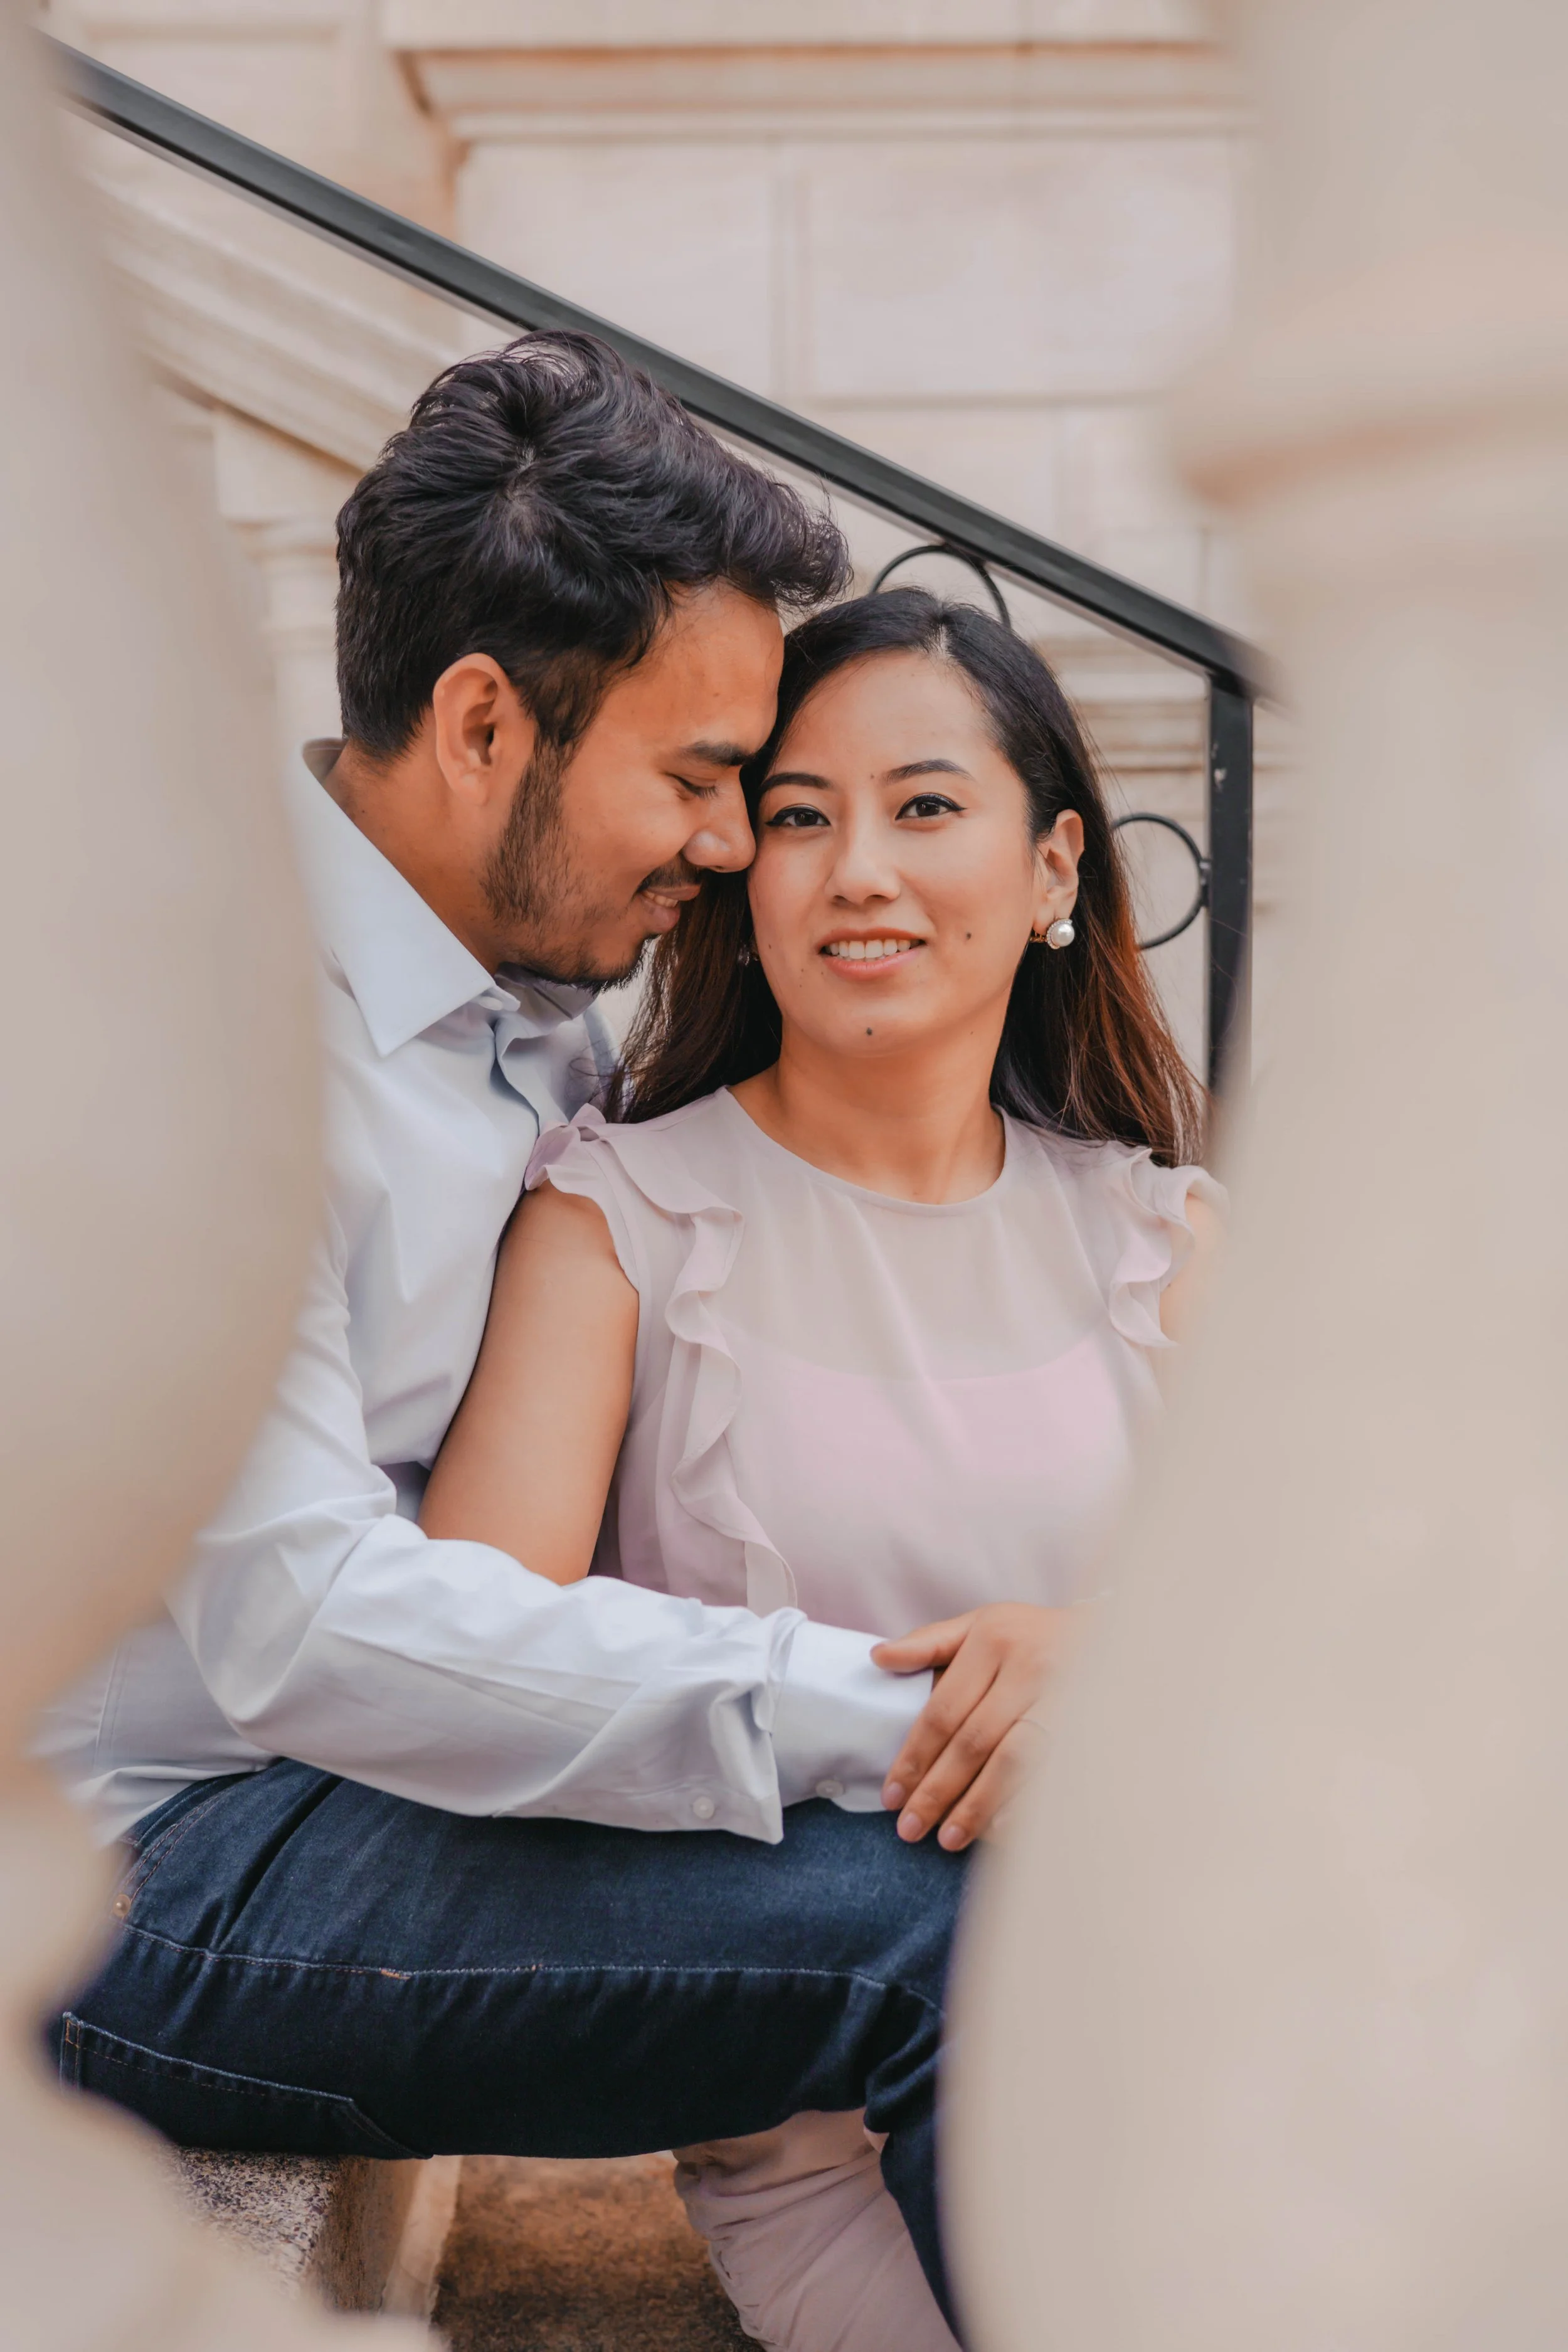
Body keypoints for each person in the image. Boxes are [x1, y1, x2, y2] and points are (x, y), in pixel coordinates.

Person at [37, 334, 1010, 2339]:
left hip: (356, 1781)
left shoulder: (532, 991)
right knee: (956, 1923)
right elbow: (301, 1621)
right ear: (483, 720)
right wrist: (888, 1707)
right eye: (698, 776)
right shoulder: (210, 1030)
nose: (730, 845)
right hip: (153, 1869)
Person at [420, 586, 1224, 2349]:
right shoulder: (615, 1222)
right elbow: (466, 1666)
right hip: (830, 2115)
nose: (858, 870)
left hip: (1214, 2021)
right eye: (798, 816)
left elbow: (1377, 1661)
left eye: (925, 806)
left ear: (1053, 865)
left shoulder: (1167, 1244)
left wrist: (1126, 1664)